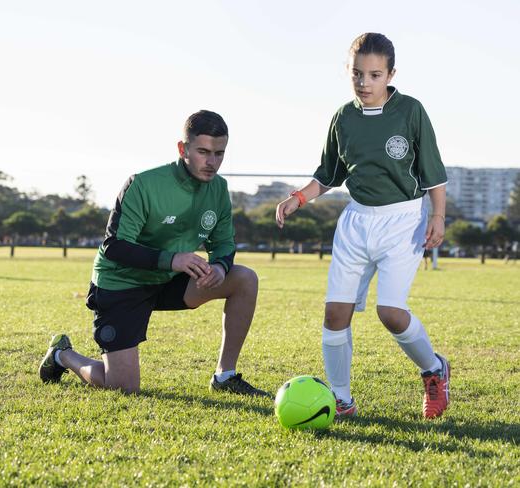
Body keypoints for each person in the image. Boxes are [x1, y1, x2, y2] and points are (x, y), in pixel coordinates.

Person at [276, 33, 450, 419]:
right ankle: (341, 399)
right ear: (348, 72)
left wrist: (437, 216)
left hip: (404, 221)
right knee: (335, 314)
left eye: (374, 75)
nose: (364, 83)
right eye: (357, 74)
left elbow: (433, 174)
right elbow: (328, 174)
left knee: (390, 312)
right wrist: (298, 198)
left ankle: (434, 370)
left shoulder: (411, 111)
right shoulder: (343, 117)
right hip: (356, 222)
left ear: (390, 74)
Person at [39, 110, 269, 396]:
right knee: (123, 387)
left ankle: (225, 376)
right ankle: (63, 354)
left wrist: (220, 267)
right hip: (122, 283)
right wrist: (172, 259)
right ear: (182, 149)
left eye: (219, 153)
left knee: (245, 279)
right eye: (203, 152)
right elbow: (115, 247)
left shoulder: (219, 190)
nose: (212, 162)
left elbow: (223, 243)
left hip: (169, 280)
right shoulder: (144, 184)